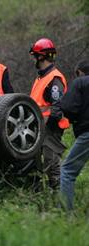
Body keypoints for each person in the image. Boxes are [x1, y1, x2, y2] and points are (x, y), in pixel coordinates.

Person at [29, 38, 70, 189]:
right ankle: (43, 197)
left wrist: (49, 127)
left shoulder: (54, 78)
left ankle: (61, 199)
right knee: (39, 164)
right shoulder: (41, 77)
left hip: (50, 128)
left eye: (35, 56)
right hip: (41, 127)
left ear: (41, 56)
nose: (34, 59)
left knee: (51, 163)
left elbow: (56, 108)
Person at [60, 60, 89, 210]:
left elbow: (67, 107)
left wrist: (74, 118)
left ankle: (66, 214)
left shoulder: (80, 83)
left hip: (87, 134)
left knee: (67, 171)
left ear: (79, 72)